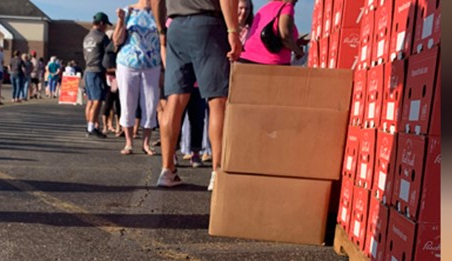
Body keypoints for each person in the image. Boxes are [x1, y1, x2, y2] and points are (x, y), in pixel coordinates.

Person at [150, 0, 242, 190]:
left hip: (176, 26)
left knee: (175, 99)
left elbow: (156, 1)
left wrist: (161, 31)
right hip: (208, 24)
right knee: (217, 100)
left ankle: (167, 170)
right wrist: (233, 31)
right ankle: (217, 173)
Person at [112, 2, 162, 155]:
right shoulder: (128, 11)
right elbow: (117, 40)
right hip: (128, 63)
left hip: (153, 64)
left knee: (150, 104)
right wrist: (121, 20)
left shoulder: (160, 11)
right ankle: (129, 142)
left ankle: (146, 143)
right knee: (127, 102)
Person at [239, 0, 307, 65]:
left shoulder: (267, 7)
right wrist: (299, 52)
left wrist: (296, 42)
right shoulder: (286, 7)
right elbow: (285, 36)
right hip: (270, 63)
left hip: (246, 59)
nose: (297, 0)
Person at [82, 12, 113, 138]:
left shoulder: (87, 37)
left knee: (90, 101)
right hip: (97, 70)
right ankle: (92, 127)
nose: (106, 28)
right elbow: (110, 51)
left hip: (87, 70)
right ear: (101, 23)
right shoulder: (101, 37)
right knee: (98, 100)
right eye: (105, 25)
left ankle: (89, 125)